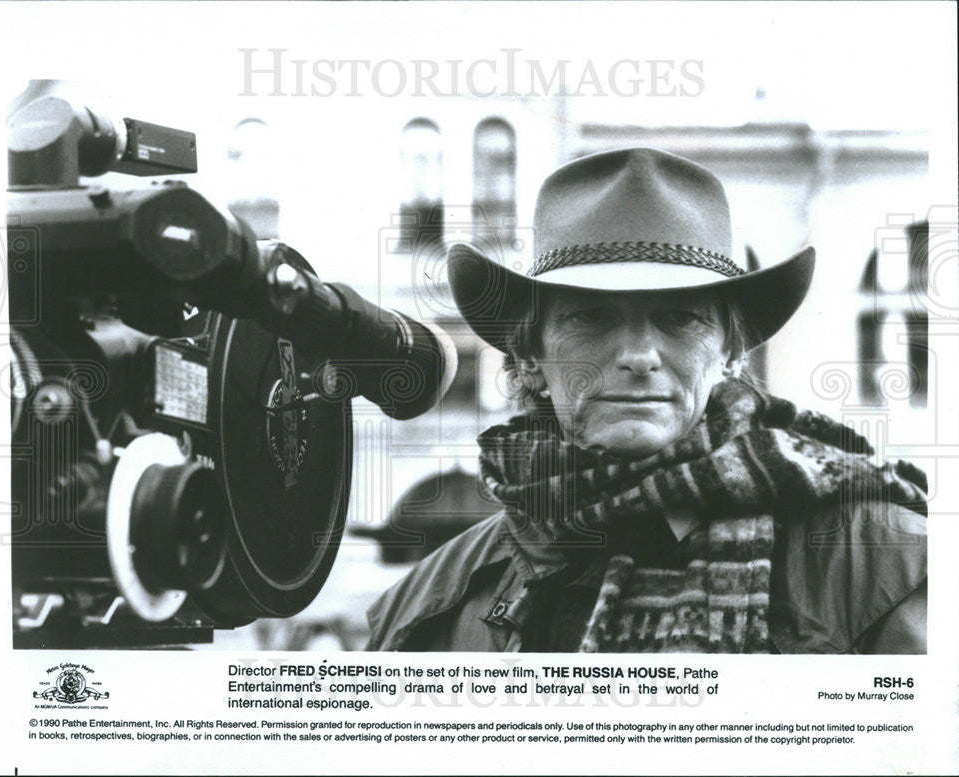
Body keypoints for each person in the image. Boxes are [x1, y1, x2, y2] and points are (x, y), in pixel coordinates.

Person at [366, 148, 927, 653]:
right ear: (530, 355)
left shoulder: (888, 565)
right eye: (592, 316)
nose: (638, 354)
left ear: (730, 352)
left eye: (680, 317)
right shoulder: (423, 611)